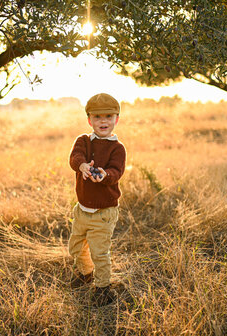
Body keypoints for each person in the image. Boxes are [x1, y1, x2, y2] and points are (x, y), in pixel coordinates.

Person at [68, 93, 126, 306]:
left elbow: (116, 172)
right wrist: (82, 165)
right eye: (98, 117)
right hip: (82, 210)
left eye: (109, 116)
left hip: (104, 212)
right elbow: (75, 157)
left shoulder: (117, 148)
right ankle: (86, 273)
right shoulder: (83, 141)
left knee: (99, 252)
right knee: (75, 246)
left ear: (116, 119)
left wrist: (104, 175)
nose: (103, 121)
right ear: (89, 120)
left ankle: (103, 289)